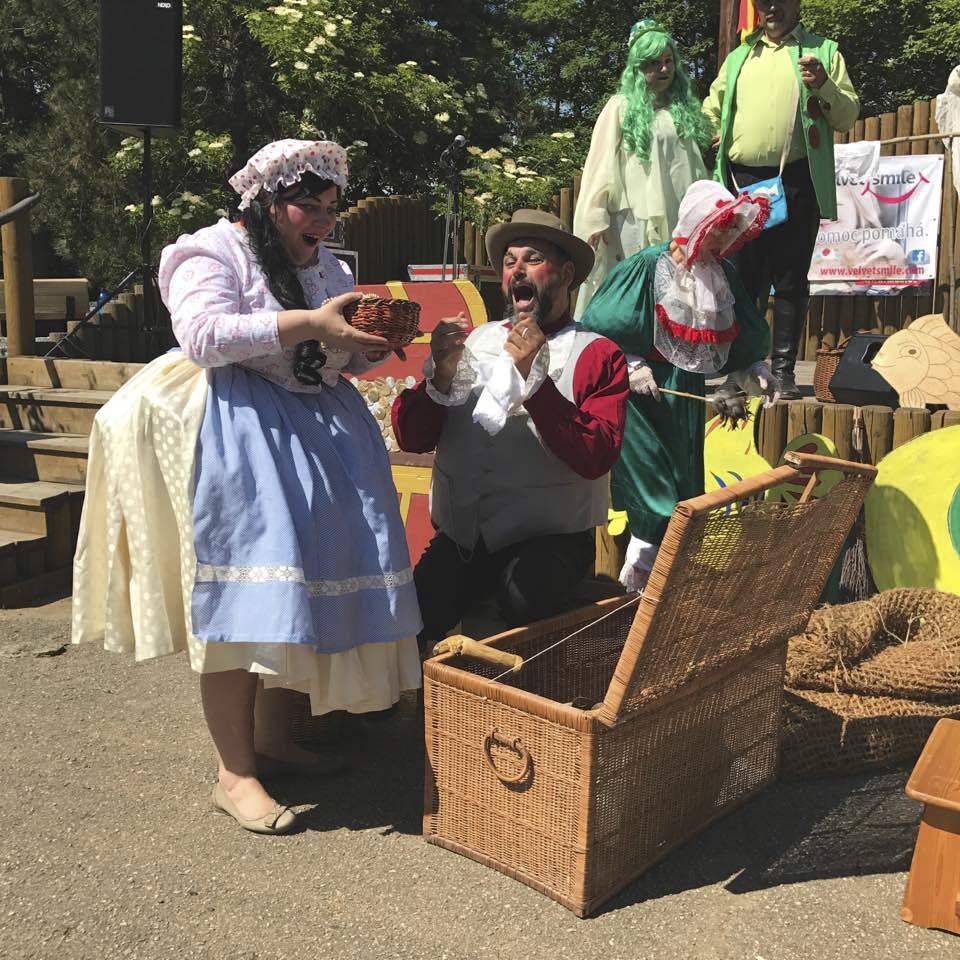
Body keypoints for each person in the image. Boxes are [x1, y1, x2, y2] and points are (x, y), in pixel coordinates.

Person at [72, 140, 422, 835]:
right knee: (243, 597)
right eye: (306, 206)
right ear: (264, 199)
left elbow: (324, 358)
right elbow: (203, 335)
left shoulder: (328, 267)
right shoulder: (210, 251)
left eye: (329, 208)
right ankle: (233, 774)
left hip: (319, 432)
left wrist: (358, 348)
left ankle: (271, 741)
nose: (320, 221)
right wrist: (311, 324)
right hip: (235, 425)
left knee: (293, 589)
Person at [391, 209, 629, 652]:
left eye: (533, 259)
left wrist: (536, 385)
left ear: (566, 273)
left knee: (522, 601)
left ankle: (586, 613)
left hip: (550, 540)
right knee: (410, 616)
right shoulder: (473, 342)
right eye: (509, 261)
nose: (516, 269)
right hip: (464, 538)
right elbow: (413, 437)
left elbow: (597, 455)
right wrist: (438, 381)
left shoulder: (598, 354)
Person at [581, 180, 779, 590]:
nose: (723, 239)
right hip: (640, 394)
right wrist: (631, 364)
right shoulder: (648, 265)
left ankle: (666, 591)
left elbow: (742, 331)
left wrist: (752, 370)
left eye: (730, 231)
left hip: (683, 392)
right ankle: (638, 593)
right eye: (718, 228)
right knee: (655, 497)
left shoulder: (722, 275)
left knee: (686, 492)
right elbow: (604, 322)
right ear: (695, 224)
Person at [703, 0, 859, 398]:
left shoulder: (824, 50)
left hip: (797, 180)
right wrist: (706, 130)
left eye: (780, 0)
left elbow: (846, 115)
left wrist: (822, 83)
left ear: (797, 3)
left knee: (789, 280)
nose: (771, 7)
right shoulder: (739, 56)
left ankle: (784, 373)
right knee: (742, 282)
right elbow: (710, 109)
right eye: (763, 1)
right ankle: (739, 374)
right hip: (742, 183)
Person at [573, 19, 712, 320]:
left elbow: (694, 169)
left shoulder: (683, 111)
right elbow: (600, 164)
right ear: (637, 68)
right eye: (653, 63)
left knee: (673, 289)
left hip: (676, 217)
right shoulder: (619, 106)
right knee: (633, 288)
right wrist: (595, 217)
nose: (664, 69)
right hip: (632, 219)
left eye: (668, 61)